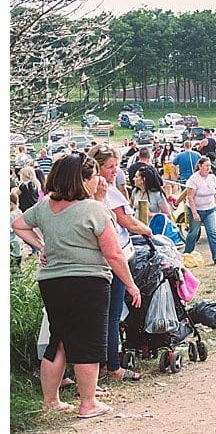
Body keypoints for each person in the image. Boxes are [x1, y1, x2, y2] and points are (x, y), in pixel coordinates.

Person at [12, 153, 142, 418]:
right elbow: (114, 254)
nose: (98, 182)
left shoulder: (46, 206)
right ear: (82, 180)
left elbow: (18, 224)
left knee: (56, 340)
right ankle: (88, 403)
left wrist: (42, 246)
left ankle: (51, 401)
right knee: (88, 342)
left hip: (51, 281)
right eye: (95, 176)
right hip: (88, 282)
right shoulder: (94, 210)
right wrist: (131, 285)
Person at [88, 144, 150, 382]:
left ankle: (101, 361)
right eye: (110, 166)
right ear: (98, 168)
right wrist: (149, 232)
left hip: (97, 261)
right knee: (113, 315)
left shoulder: (86, 194)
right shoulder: (106, 196)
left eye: (117, 166)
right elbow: (126, 223)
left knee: (102, 315)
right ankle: (113, 365)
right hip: (116, 257)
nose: (115, 170)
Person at [184, 156, 216, 265]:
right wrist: (194, 212)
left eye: (209, 165)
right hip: (196, 209)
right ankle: (187, 254)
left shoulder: (212, 177)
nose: (208, 168)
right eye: (206, 165)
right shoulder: (193, 179)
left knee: (212, 232)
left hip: (210, 209)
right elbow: (190, 197)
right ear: (200, 166)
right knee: (193, 233)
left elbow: (214, 193)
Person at [10, 192, 23, 269]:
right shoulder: (19, 212)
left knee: (14, 256)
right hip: (18, 238)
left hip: (12, 239)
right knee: (18, 254)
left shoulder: (11, 215)